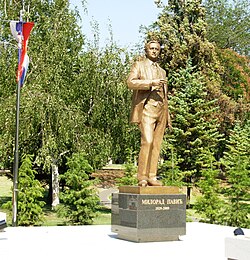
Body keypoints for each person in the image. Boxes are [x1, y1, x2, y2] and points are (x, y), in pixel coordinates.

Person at [127, 40, 171, 187]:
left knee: (157, 144)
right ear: (146, 50)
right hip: (146, 109)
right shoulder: (139, 65)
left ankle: (152, 176)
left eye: (157, 49)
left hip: (161, 111)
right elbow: (130, 83)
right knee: (148, 141)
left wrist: (167, 115)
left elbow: (165, 96)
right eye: (151, 48)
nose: (154, 51)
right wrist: (150, 82)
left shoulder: (162, 71)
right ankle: (142, 177)